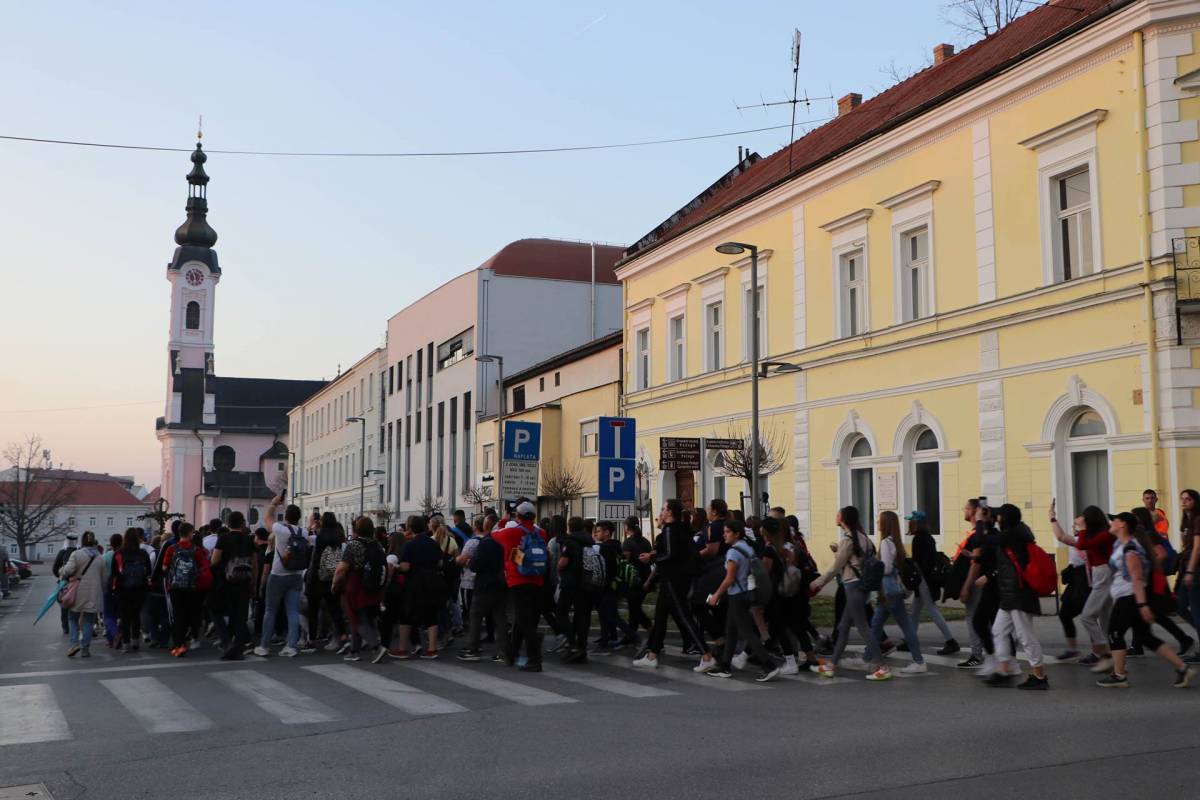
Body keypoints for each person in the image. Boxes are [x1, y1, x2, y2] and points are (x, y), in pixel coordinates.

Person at [1097, 512, 1195, 688]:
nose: (1111, 522)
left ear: (1123, 525)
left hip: (1130, 597)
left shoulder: (1131, 549)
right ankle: (1182, 668)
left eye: (1115, 520)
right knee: (1146, 637)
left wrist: (1142, 605)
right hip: (1129, 596)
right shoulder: (1122, 544)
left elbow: (1136, 578)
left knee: (1114, 633)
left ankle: (1119, 676)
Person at [809, 506, 890, 681]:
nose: (836, 516)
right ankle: (831, 666)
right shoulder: (865, 539)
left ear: (843, 519)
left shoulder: (848, 541)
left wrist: (817, 583)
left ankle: (882, 667)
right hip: (862, 587)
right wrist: (881, 592)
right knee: (843, 628)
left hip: (853, 587)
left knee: (863, 628)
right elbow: (868, 564)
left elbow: (835, 568)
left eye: (838, 514)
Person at [632, 500, 713, 670]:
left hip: (673, 580)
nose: (660, 512)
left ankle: (706, 655)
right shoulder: (681, 528)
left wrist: (651, 558)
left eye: (663, 509)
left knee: (684, 617)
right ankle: (652, 655)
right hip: (675, 579)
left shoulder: (670, 530)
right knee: (660, 617)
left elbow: (670, 554)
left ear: (669, 513)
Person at [975, 504, 1048, 689]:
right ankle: (1003, 669)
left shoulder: (1013, 536)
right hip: (1010, 594)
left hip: (1019, 593)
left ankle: (1039, 676)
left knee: (1025, 635)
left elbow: (983, 539)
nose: (996, 518)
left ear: (1004, 519)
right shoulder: (1014, 533)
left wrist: (979, 520)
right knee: (999, 630)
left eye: (999, 516)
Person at [705, 520, 780, 682]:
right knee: (731, 631)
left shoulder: (733, 553)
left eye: (727, 532)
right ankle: (725, 666)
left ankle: (769, 665)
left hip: (737, 595)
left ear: (737, 533)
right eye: (724, 532)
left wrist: (716, 595)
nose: (724, 534)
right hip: (746, 593)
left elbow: (730, 579)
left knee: (747, 632)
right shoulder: (747, 547)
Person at [1050, 502, 1113, 672]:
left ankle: (1105, 654)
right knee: (1104, 618)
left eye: (1083, 518)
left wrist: (1082, 527)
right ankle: (1113, 658)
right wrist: (1052, 518)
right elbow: (1063, 537)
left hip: (1103, 574)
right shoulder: (1092, 536)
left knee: (1087, 616)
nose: (1077, 521)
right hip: (1098, 575)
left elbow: (1082, 545)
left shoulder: (1104, 535)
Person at [492, 501, 549, 672]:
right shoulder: (541, 533)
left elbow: (493, 533)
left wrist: (504, 520)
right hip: (537, 580)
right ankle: (512, 653)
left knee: (525, 621)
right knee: (522, 619)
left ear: (517, 516)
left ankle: (535, 660)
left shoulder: (511, 532)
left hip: (518, 580)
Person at [867, 511, 926, 674]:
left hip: (887, 590)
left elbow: (885, 568)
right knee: (883, 625)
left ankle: (866, 659)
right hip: (894, 589)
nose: (877, 523)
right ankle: (918, 661)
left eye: (879, 521)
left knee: (877, 626)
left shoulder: (886, 543)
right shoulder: (895, 542)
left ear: (886, 524)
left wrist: (874, 564)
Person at [254, 496, 308, 657]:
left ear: (286, 516)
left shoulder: (280, 529)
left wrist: (273, 503)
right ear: (299, 518)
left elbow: (267, 518)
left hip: (278, 573)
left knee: (270, 610)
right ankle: (291, 645)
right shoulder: (303, 532)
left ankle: (264, 646)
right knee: (292, 610)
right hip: (296, 575)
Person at [332, 516, 386, 663]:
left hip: (356, 585)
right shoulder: (377, 545)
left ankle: (376, 647)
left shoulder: (354, 545)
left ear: (356, 529)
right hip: (373, 585)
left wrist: (335, 583)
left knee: (357, 619)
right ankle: (354, 651)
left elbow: (342, 568)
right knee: (363, 618)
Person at [904, 511, 959, 655]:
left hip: (923, 580)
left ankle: (951, 641)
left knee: (932, 610)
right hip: (928, 579)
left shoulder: (918, 539)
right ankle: (910, 640)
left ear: (916, 523)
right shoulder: (929, 537)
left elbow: (918, 563)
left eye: (911, 521)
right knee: (915, 611)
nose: (909, 524)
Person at [393, 515, 446, 660]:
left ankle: (403, 649)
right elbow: (440, 563)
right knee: (431, 615)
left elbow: (405, 566)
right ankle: (432, 649)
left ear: (409, 528)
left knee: (406, 615)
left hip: (414, 583)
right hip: (433, 582)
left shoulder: (409, 545)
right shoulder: (433, 543)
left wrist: (396, 567)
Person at [458, 516, 509, 662]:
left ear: (486, 527)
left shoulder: (486, 543)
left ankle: (473, 649)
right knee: (500, 619)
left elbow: (475, 565)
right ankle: (503, 651)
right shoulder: (502, 542)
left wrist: (470, 561)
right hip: (501, 583)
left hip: (485, 584)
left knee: (475, 616)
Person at [212, 511, 259, 660]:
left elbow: (215, 560)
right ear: (242, 523)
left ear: (228, 523)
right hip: (244, 582)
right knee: (240, 616)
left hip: (226, 583)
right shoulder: (249, 539)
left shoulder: (223, 538)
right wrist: (253, 583)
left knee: (216, 611)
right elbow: (255, 563)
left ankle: (226, 642)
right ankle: (238, 649)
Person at [159, 522, 210, 657]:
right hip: (191, 587)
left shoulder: (171, 548)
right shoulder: (197, 550)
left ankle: (178, 645)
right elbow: (201, 567)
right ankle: (189, 638)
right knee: (190, 613)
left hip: (175, 587)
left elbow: (164, 567)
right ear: (189, 533)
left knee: (177, 615)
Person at [60, 531, 107, 657]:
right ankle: (85, 649)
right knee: (88, 621)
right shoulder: (100, 557)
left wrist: (62, 571)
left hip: (77, 592)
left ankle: (74, 644)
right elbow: (104, 580)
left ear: (82, 541)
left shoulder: (76, 554)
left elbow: (68, 570)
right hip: (94, 593)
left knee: (73, 618)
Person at [557, 516, 597, 664]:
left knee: (561, 611)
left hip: (570, 583)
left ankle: (571, 641)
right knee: (582, 615)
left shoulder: (570, 542)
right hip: (586, 583)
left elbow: (563, 563)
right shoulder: (589, 542)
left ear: (569, 527)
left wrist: (558, 567)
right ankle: (582, 646)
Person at [305, 512, 347, 653]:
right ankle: (343, 635)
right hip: (332, 576)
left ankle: (311, 640)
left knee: (313, 610)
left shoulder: (320, 535)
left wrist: (313, 526)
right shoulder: (338, 535)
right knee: (335, 609)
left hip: (318, 576)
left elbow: (315, 554)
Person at [594, 520, 636, 651]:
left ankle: (635, 638)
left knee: (612, 615)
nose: (596, 533)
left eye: (599, 531)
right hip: (616, 585)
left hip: (610, 586)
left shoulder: (606, 548)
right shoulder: (617, 545)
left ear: (607, 533)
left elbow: (607, 568)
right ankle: (606, 640)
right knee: (605, 612)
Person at [113, 527, 151, 653]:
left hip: (123, 589)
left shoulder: (118, 553)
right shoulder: (143, 553)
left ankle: (126, 643)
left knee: (125, 617)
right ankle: (135, 641)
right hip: (140, 589)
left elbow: (114, 573)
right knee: (136, 615)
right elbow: (148, 572)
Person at [621, 517, 653, 636]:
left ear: (627, 527)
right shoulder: (645, 541)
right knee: (634, 607)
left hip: (634, 580)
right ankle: (631, 634)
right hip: (646, 578)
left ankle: (651, 630)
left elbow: (625, 561)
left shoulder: (628, 542)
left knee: (634, 608)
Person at [53, 532, 80, 635]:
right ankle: (75, 624)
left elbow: (55, 568)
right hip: (77, 582)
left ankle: (65, 627)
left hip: (64, 582)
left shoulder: (62, 552)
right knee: (76, 603)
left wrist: (60, 576)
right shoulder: (79, 551)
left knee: (64, 604)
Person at [101, 532, 123, 648]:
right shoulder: (124, 555)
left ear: (111, 544)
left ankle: (114, 635)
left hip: (109, 587)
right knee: (116, 614)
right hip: (122, 588)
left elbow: (103, 574)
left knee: (108, 615)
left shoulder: (106, 556)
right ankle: (112, 640)